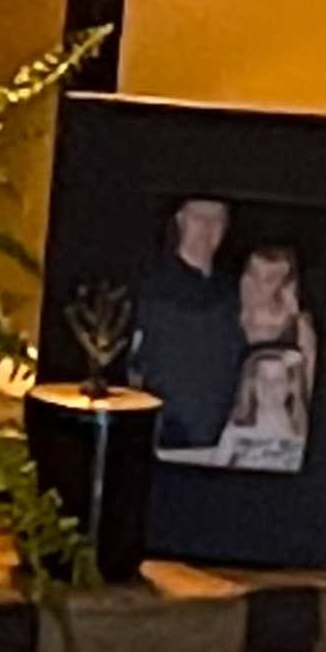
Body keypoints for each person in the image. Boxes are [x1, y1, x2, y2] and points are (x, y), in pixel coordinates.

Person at [132, 192, 244, 458]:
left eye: (216, 219)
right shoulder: (150, 287)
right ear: (180, 221)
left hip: (223, 444)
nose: (207, 227)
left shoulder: (233, 292)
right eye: (199, 217)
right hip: (166, 440)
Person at [211, 240, 320, 474]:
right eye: (252, 274)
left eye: (269, 279)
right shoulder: (226, 315)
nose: (256, 285)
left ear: (285, 286)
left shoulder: (298, 327)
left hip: (274, 435)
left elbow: (309, 387)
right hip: (222, 430)